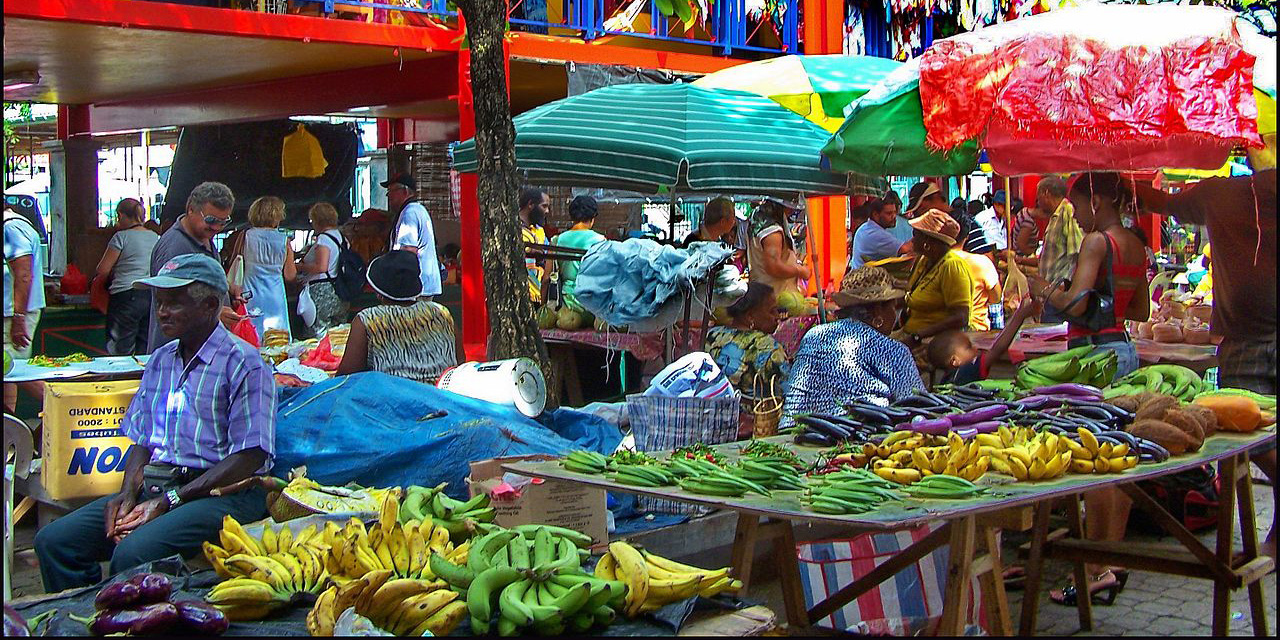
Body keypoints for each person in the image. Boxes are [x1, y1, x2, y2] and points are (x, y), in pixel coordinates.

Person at [34, 253, 274, 592]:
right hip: (163, 485)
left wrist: (171, 499)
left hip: (223, 492)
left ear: (209, 306)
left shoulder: (244, 363)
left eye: (174, 302)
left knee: (133, 553)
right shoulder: (161, 359)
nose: (162, 311)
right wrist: (126, 495)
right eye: (159, 302)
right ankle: (84, 611)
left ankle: (138, 614)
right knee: (55, 542)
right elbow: (143, 441)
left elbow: (250, 456)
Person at [1136, 166, 1276, 561]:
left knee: (1250, 440)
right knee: (1245, 439)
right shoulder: (1221, 193)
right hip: (1243, 342)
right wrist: (1126, 181)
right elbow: (1164, 203)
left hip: (1246, 339)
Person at [1026, 172, 1151, 606]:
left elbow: (1077, 303)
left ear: (1097, 201)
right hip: (1123, 349)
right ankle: (1110, 561)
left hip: (1094, 356)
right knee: (1120, 457)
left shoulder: (1098, 242)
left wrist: (1045, 290)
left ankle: (1095, 568)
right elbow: (1141, 309)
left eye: (1079, 205)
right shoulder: (1135, 244)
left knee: (1097, 461)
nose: (1075, 215)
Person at [781, 266, 922, 427]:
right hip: (855, 435)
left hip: (791, 430)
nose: (894, 314)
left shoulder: (813, 335)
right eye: (893, 306)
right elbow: (916, 407)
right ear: (878, 312)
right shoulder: (893, 350)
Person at [336, 250, 461, 385]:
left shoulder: (368, 319)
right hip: (440, 394)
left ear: (378, 293)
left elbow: (347, 377)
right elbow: (460, 363)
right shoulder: (441, 312)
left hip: (390, 396)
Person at [147, 181, 241, 353]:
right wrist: (215, 313)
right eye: (211, 220)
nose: (217, 228)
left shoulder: (204, 237)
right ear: (191, 209)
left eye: (223, 222)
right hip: (177, 351)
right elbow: (171, 302)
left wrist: (227, 289)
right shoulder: (174, 247)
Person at [899, 209, 977, 363]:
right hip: (911, 335)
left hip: (935, 345)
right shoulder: (923, 261)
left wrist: (918, 336)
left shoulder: (952, 266)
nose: (912, 240)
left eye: (916, 235)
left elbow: (961, 317)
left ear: (928, 241)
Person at [928, 295, 1043, 385]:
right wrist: (1020, 316)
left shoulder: (946, 379)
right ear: (955, 360)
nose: (975, 348)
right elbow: (998, 349)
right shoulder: (969, 369)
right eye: (968, 347)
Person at [705, 283, 791, 402]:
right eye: (772, 311)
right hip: (757, 412)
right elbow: (790, 393)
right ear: (750, 316)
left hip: (714, 409)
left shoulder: (713, 335)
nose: (777, 316)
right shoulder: (767, 347)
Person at [96, 199, 160, 355]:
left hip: (125, 295)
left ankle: (121, 371)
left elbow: (103, 270)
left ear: (122, 215)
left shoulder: (121, 237)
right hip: (150, 295)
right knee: (144, 348)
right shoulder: (155, 237)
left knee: (120, 349)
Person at [4, 208, 47, 413]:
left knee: (15, 370)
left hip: (13, 314)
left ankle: (66, 405)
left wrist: (18, 317)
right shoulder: (15, 225)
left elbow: (23, 275)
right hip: (14, 313)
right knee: (10, 372)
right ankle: (9, 422)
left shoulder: (11, 228)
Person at [236, 196, 296, 342]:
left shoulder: (245, 236)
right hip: (275, 293)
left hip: (250, 293)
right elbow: (290, 275)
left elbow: (235, 262)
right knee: (277, 337)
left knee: (251, 334)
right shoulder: (284, 240)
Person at [385, 173, 441, 301]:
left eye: (392, 190)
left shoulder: (410, 213)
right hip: (421, 286)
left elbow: (408, 251)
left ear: (405, 191)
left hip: (417, 288)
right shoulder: (416, 209)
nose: (388, 195)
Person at [295, 202, 347, 337]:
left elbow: (321, 267)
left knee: (318, 332)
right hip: (339, 289)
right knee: (338, 334)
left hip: (322, 291)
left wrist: (298, 267)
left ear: (317, 220)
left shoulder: (324, 239)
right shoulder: (340, 236)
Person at [551, 195, 607, 311]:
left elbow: (547, 277)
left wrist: (543, 307)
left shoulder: (557, 240)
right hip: (591, 303)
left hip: (566, 302)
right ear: (593, 217)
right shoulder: (600, 241)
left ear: (572, 217)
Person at [747, 200, 808, 298]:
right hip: (774, 296)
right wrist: (800, 271)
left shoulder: (761, 219)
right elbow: (774, 267)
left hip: (768, 293)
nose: (792, 211)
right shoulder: (772, 231)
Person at [952, 215, 1003, 332]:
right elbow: (996, 298)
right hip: (977, 331)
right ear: (967, 237)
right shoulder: (982, 263)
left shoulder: (929, 261)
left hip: (941, 330)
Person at [1036, 176, 1083, 287]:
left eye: (1038, 197)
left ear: (1046, 193)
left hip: (1059, 288)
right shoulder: (1055, 216)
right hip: (1050, 288)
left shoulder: (1067, 211)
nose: (1038, 202)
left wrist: (1065, 285)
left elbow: (1076, 253)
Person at [848, 198, 907, 269]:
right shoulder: (875, 233)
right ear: (875, 214)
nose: (894, 216)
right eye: (889, 213)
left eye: (895, 212)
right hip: (866, 275)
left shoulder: (865, 227)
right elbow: (905, 249)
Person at [518, 188, 551, 303]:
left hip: (540, 295)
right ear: (531, 204)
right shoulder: (514, 230)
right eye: (544, 206)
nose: (547, 211)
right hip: (521, 295)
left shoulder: (539, 230)